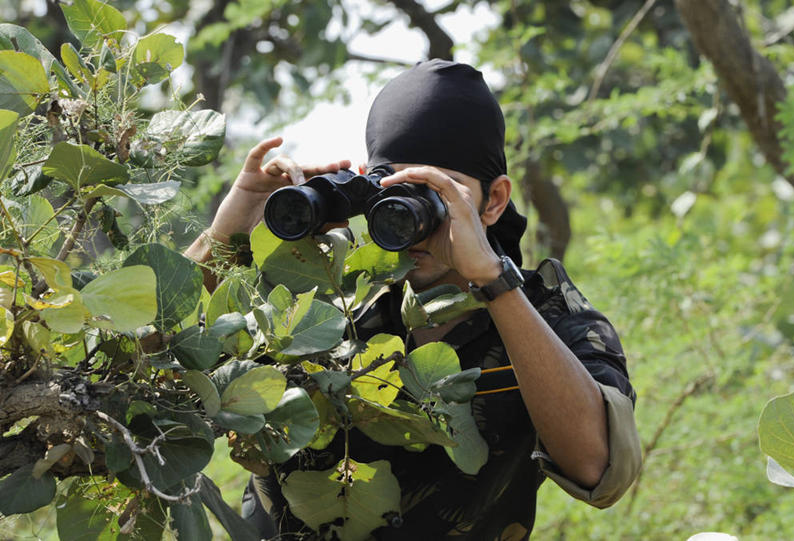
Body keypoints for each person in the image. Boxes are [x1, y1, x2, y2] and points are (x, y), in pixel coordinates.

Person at [185, 59, 641, 540]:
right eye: (397, 189)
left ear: (494, 200)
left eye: (439, 193)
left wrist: (494, 282)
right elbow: (153, 363)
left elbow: (597, 468)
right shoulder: (325, 292)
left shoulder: (548, 316)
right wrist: (223, 234)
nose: (416, 221)